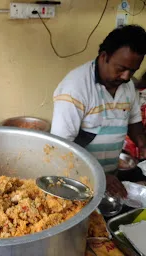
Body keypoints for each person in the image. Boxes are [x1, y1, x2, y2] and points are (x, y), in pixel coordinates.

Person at [51, 25, 146, 198]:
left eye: (132, 71)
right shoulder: (75, 88)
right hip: (77, 181)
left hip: (111, 178)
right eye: (121, 69)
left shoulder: (128, 86)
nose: (126, 76)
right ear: (104, 57)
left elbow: (134, 121)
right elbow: (60, 149)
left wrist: (142, 142)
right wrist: (99, 176)